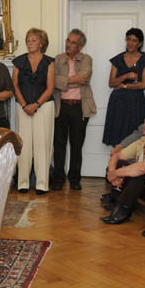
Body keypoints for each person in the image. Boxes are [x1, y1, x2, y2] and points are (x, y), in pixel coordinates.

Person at [52, 28, 96, 191]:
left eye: (73, 43)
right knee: (59, 145)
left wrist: (63, 81)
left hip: (79, 107)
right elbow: (53, 81)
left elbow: (84, 78)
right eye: (67, 41)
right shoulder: (57, 59)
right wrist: (72, 80)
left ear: (80, 46)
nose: (68, 44)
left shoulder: (86, 59)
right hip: (61, 106)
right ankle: (58, 178)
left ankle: (75, 179)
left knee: (76, 145)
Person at [13, 28, 55, 194]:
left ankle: (42, 184)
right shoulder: (18, 61)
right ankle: (22, 183)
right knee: (23, 145)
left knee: (42, 144)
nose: (29, 43)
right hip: (22, 107)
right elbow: (15, 86)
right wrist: (25, 105)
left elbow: (50, 88)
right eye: (28, 40)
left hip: (44, 107)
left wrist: (36, 104)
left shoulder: (49, 62)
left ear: (42, 43)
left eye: (33, 40)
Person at [102, 28, 145, 146]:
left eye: (134, 41)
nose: (130, 43)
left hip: (135, 102)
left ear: (140, 43)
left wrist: (124, 85)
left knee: (134, 136)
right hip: (118, 102)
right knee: (117, 135)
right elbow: (111, 83)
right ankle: (116, 157)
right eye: (128, 39)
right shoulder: (118, 59)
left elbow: (143, 84)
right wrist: (126, 76)